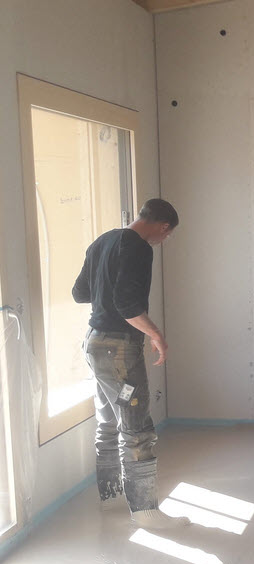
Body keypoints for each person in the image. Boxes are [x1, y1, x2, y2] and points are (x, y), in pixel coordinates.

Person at [72, 198, 189, 530]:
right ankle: (145, 511)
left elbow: (80, 293)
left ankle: (111, 496)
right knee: (138, 428)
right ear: (163, 226)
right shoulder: (138, 247)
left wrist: (106, 288)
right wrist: (156, 334)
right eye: (168, 234)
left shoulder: (102, 241)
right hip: (118, 350)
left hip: (94, 344)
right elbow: (127, 305)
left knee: (109, 421)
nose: (164, 240)